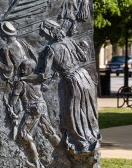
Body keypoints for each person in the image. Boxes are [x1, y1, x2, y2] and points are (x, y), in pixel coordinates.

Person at [39, 20, 100, 156]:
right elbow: (83, 57)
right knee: (87, 107)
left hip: (73, 79)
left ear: (50, 32)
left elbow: (44, 74)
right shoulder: (70, 41)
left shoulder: (51, 49)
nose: (43, 36)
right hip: (84, 75)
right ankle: (91, 137)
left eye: (44, 33)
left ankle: (81, 142)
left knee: (75, 110)